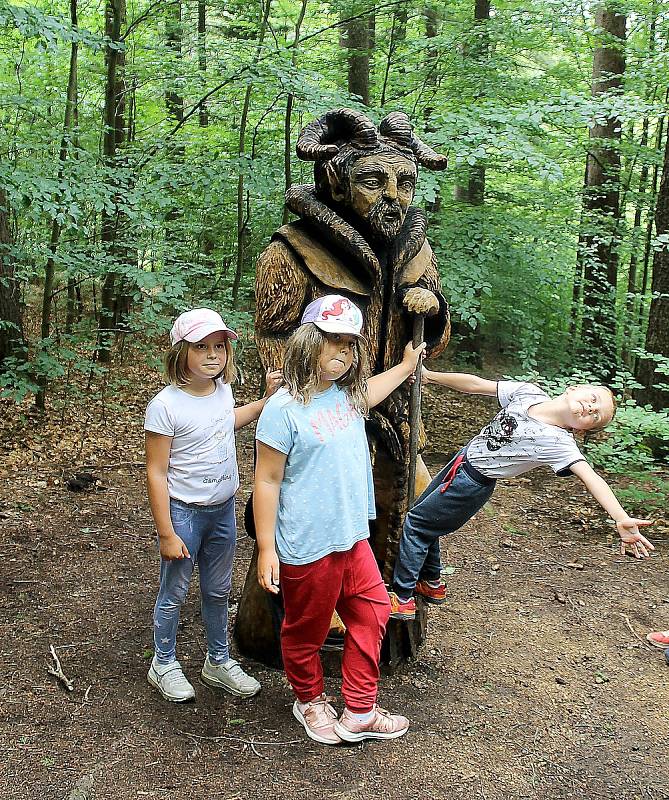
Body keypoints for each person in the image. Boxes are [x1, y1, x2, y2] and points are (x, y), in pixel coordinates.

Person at [253, 294, 424, 745]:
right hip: (308, 544)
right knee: (305, 631)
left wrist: (407, 367)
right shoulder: (282, 409)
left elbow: (371, 390)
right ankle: (308, 700)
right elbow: (267, 481)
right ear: (309, 343)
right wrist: (267, 548)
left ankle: (361, 709)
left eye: (350, 346)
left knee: (373, 612)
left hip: (352, 538)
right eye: (335, 343)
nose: (344, 355)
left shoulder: (346, 396)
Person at [389, 369, 655, 620]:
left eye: (595, 416)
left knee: (417, 525)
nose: (591, 408)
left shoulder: (560, 443)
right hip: (462, 462)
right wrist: (429, 376)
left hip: (471, 484)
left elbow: (591, 477)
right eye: (593, 399)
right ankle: (432, 582)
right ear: (574, 388)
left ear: (581, 429)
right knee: (426, 521)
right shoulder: (529, 393)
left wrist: (619, 517)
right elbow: (476, 385)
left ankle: (402, 597)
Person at [144, 308, 282, 703]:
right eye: (200, 347)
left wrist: (265, 401)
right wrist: (167, 532)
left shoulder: (222, 392)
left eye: (218, 347)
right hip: (184, 514)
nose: (212, 355)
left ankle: (217, 661)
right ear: (180, 351)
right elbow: (155, 472)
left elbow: (228, 420)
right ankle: (164, 662)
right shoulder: (166, 406)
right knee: (175, 591)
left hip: (222, 510)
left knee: (218, 589)